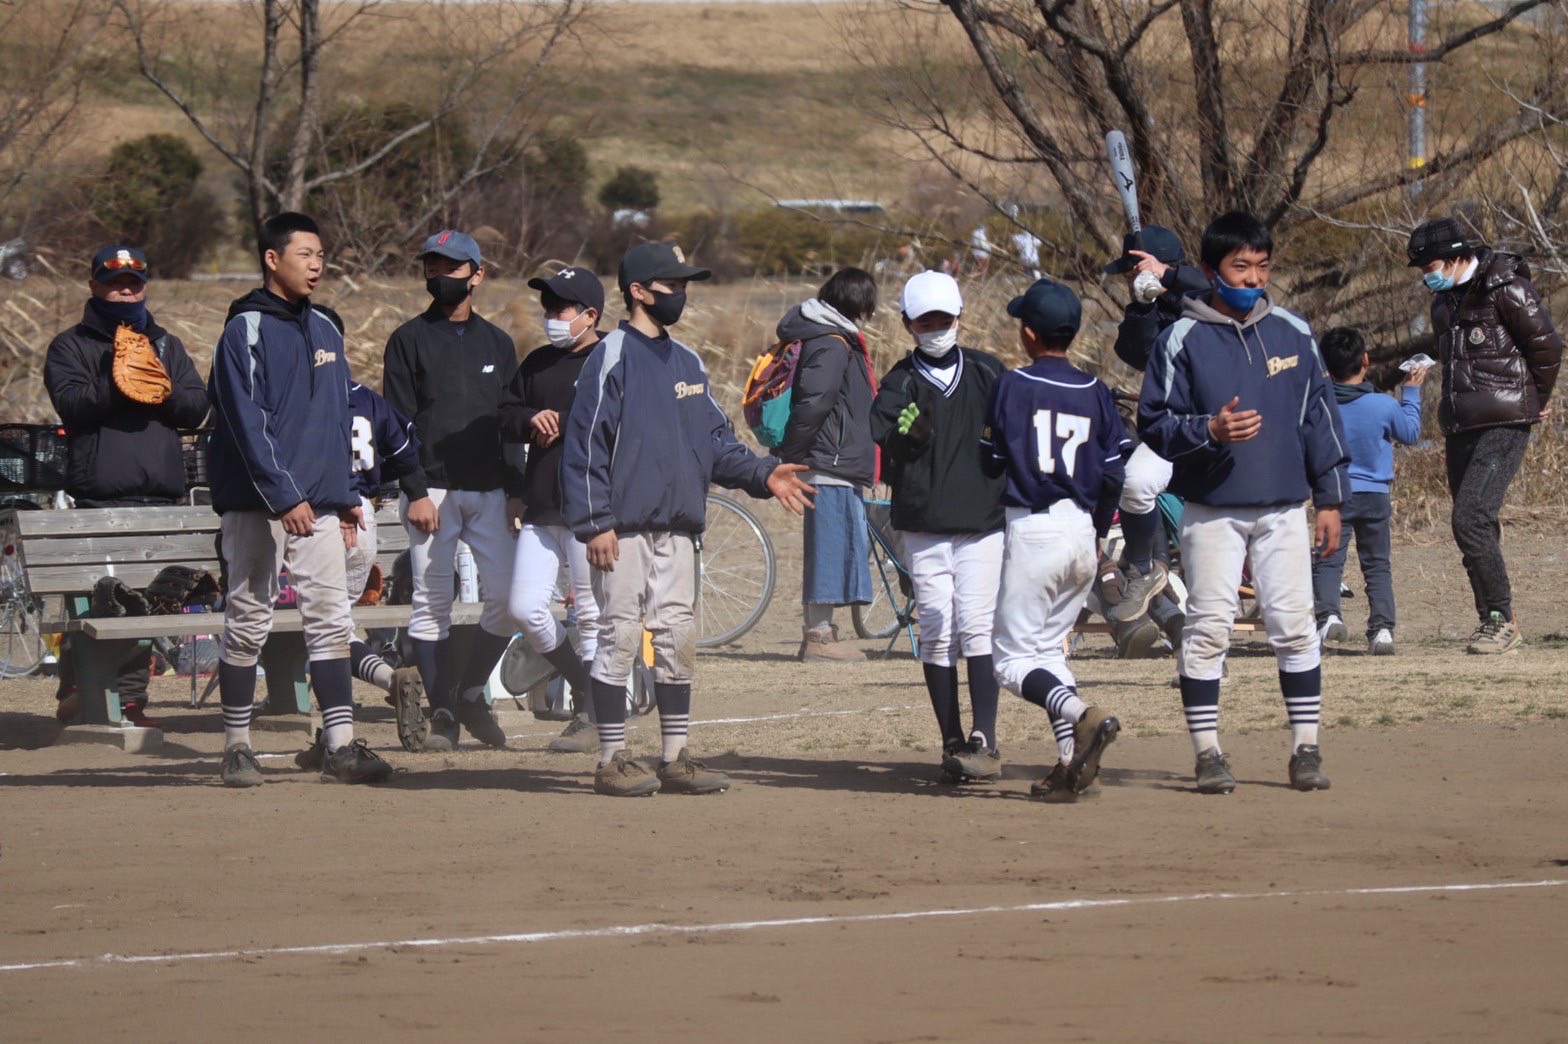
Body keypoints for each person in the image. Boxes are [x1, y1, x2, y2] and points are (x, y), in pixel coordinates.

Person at [560, 241, 814, 797]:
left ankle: (674, 756)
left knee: (678, 636)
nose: (682, 292)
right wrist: (594, 521)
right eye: (672, 284)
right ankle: (611, 758)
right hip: (621, 529)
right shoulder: (611, 356)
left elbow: (715, 441)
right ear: (638, 291)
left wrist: (763, 473)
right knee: (619, 636)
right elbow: (583, 446)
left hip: (677, 528)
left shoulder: (688, 361)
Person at [1138, 210, 1349, 796]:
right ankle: (1208, 754)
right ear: (1210, 270)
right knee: (1208, 630)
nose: (1254, 277)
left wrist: (1329, 498)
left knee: (1294, 628)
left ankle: (1305, 750)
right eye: (1241, 266)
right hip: (1212, 509)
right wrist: (1210, 429)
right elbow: (1154, 423)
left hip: (1284, 509)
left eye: (1262, 266)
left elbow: (1320, 418)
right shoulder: (1182, 336)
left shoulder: (1294, 332)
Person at [207, 211, 391, 786]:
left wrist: (349, 490)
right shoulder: (245, 332)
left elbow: (339, 420)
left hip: (322, 502)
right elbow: (245, 421)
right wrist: (283, 495)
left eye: (320, 255)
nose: (316, 264)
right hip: (257, 501)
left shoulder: (328, 328)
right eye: (305, 254)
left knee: (331, 621)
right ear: (271, 258)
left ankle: (338, 745)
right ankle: (238, 746)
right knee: (248, 621)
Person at [44, 244, 210, 729]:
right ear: (94, 285)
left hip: (160, 493)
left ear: (145, 286)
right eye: (114, 281)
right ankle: (80, 687)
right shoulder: (70, 345)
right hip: (100, 494)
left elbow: (195, 408)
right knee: (102, 599)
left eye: (134, 281)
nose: (124, 289)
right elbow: (72, 407)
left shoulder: (166, 344)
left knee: (146, 603)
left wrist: (159, 382)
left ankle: (131, 701)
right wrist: (116, 380)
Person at [983, 279, 1130, 799]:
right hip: (1081, 528)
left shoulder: (1012, 384)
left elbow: (993, 459)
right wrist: (1098, 529)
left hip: (1034, 527)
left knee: (1010, 661)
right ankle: (1069, 764)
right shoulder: (1095, 391)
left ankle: (1082, 713)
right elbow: (1115, 473)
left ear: (1028, 334)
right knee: (1047, 652)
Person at [382, 229, 522, 751]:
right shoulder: (408, 339)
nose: (441, 276)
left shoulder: (498, 343)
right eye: (432, 267)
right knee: (431, 603)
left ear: (477, 274)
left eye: (452, 267)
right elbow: (395, 423)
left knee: (510, 600)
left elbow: (510, 423)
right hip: (431, 493)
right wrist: (414, 489)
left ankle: (467, 693)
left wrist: (516, 491)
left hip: (489, 491)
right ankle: (441, 710)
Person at [869, 271, 1007, 784]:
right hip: (924, 523)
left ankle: (985, 739)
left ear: (959, 317)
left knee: (976, 623)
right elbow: (883, 433)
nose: (936, 327)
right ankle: (952, 741)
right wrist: (909, 439)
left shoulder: (989, 373)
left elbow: (1012, 433)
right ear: (907, 324)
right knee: (936, 628)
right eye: (925, 320)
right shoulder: (900, 380)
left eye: (944, 318)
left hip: (983, 522)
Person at [1406, 217, 1562, 654]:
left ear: (1457, 257)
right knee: (1474, 526)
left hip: (1505, 422)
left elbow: (1547, 347)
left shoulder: (1507, 289)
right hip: (1460, 424)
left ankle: (1501, 619)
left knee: (1469, 517)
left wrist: (1533, 398)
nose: (1426, 275)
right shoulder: (1443, 304)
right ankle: (1492, 619)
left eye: (1431, 265)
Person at [500, 266, 606, 754]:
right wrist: (529, 419)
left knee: (589, 613)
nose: (550, 317)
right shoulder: (539, 362)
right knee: (523, 607)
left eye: (561, 308)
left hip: (590, 509)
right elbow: (505, 415)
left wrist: (574, 422)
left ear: (590, 315)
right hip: (542, 506)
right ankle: (583, 683)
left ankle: (591, 716)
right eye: (548, 307)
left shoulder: (611, 359)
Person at [1104, 225, 1210, 631]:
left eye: (1134, 271)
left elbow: (1213, 292)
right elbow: (1136, 352)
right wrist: (1146, 304)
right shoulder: (1145, 304)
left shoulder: (1206, 297)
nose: (1130, 278)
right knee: (1134, 482)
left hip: (1223, 426)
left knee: (1220, 528)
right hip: (1173, 426)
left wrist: (1167, 278)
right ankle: (1145, 568)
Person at [774, 266, 878, 663]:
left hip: (832, 459)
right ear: (858, 303)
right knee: (829, 548)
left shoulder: (828, 337)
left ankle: (823, 634)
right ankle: (818, 638)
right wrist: (793, 457)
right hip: (827, 460)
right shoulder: (832, 342)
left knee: (835, 546)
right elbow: (813, 403)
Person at [1311, 327, 1425, 655]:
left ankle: (1329, 615)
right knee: (1377, 564)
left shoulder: (1320, 404)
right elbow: (1411, 433)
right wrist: (1412, 393)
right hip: (1375, 495)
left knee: (1328, 560)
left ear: (1326, 366)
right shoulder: (1382, 404)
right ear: (1365, 359)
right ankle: (1382, 630)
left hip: (1333, 495)